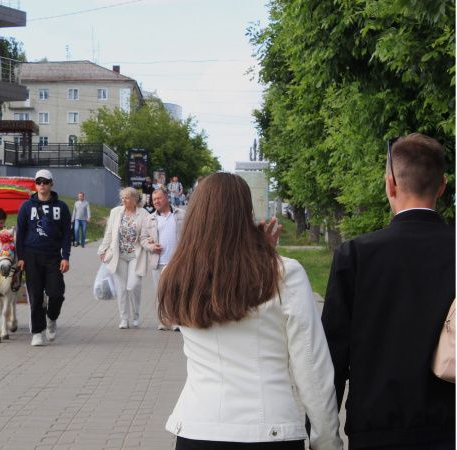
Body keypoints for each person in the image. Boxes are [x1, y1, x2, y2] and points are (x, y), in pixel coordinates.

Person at [158, 172, 342, 450]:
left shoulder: (176, 275)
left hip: (197, 428)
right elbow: (312, 368)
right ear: (246, 212)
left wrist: (261, 255)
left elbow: (225, 285)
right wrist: (328, 442)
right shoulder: (284, 274)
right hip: (269, 430)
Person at [322, 133, 455, 450]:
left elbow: (332, 357)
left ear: (390, 185)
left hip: (377, 430)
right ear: (442, 186)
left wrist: (322, 435)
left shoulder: (356, 255)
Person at [15, 169, 72, 346]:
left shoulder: (61, 207)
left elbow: (66, 234)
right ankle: (37, 332)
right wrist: (21, 257)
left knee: (56, 293)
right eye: (39, 182)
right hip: (31, 255)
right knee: (35, 295)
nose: (42, 185)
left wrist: (65, 256)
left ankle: (52, 318)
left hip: (53, 256)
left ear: (51, 184)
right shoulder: (26, 206)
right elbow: (20, 232)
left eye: (45, 182)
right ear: (35, 184)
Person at [97, 187, 156, 329]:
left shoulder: (143, 214)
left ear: (135, 199)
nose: (124, 200)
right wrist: (102, 250)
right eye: (123, 198)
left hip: (136, 255)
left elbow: (147, 234)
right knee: (121, 288)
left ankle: (136, 315)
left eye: (127, 198)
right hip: (119, 255)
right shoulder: (116, 212)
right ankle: (124, 318)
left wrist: (151, 242)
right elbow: (109, 233)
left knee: (134, 285)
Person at [147, 187, 185, 331]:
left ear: (167, 198)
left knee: (177, 291)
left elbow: (189, 234)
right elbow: (143, 239)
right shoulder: (150, 218)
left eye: (159, 198)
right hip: (158, 261)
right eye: (154, 199)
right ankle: (164, 321)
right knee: (160, 292)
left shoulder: (181, 215)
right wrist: (151, 246)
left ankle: (176, 321)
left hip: (177, 261)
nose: (156, 201)